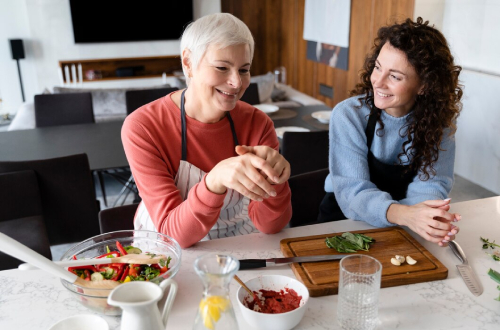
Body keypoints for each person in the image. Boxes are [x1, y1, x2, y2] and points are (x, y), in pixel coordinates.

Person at [122, 13, 292, 248]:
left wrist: (277, 181)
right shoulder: (143, 127)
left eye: (244, 70)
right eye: (222, 67)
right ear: (189, 63)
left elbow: (271, 226)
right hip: (166, 249)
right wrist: (214, 180)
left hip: (236, 243)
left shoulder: (258, 123)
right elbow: (173, 234)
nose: (236, 82)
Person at [318, 17, 463, 247]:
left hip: (404, 225)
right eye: (378, 67)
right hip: (345, 220)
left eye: (395, 76)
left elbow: (432, 185)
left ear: (425, 85)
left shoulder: (439, 123)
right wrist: (407, 215)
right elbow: (352, 194)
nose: (378, 82)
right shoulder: (348, 115)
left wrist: (429, 220)